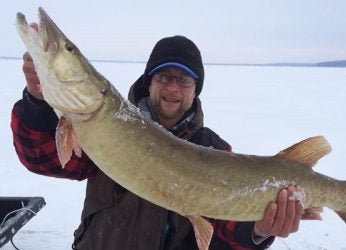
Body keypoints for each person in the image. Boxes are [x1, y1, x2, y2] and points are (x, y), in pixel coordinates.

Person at [11, 35, 309, 250]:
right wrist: (38, 103)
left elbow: (224, 226)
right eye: (164, 77)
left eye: (184, 80)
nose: (172, 87)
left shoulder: (214, 149)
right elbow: (45, 159)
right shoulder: (105, 126)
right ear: (149, 82)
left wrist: (258, 230)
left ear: (195, 90)